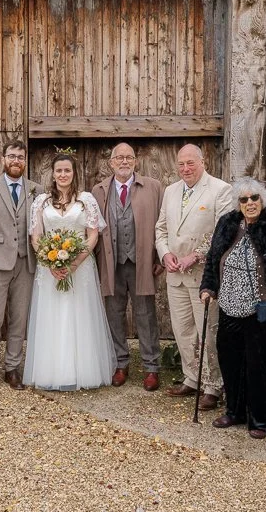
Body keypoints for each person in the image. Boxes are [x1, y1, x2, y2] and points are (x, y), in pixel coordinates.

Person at [199, 178, 266, 438]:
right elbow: (213, 257)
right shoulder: (228, 222)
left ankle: (262, 420)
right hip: (230, 305)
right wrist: (208, 287)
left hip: (264, 309)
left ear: (262, 199)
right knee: (231, 361)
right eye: (244, 200)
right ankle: (235, 411)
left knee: (262, 366)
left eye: (254, 198)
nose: (250, 203)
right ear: (238, 203)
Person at [23, 150, 115, 390]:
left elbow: (93, 235)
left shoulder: (86, 200)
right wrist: (50, 262)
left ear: (74, 174)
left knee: (79, 316)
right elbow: (36, 237)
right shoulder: (41, 202)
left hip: (80, 269)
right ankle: (51, 372)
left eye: (67, 170)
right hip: (50, 269)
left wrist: (74, 262)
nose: (63, 174)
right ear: (52, 175)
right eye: (58, 171)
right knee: (52, 317)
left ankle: (82, 371)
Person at [155, 144, 234, 410]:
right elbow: (161, 228)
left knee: (207, 331)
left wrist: (197, 255)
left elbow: (222, 233)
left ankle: (212, 385)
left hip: (203, 275)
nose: (186, 169)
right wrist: (165, 254)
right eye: (181, 164)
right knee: (183, 330)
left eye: (191, 163)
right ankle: (192, 378)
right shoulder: (170, 191)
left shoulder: (220, 190)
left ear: (203, 161)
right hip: (175, 274)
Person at [91, 142, 164, 391]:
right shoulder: (99, 190)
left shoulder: (153, 187)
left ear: (136, 161)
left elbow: (162, 225)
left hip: (141, 262)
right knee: (114, 315)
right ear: (111, 163)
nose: (124, 161)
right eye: (119, 157)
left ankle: (151, 367)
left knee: (145, 315)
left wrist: (158, 257)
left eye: (129, 157)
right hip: (110, 263)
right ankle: (120, 364)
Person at [0, 140, 42, 394]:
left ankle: (13, 367)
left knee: (19, 318)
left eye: (20, 157)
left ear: (25, 160)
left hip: (25, 262)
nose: (16, 161)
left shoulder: (37, 189)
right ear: (3, 159)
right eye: (12, 156)